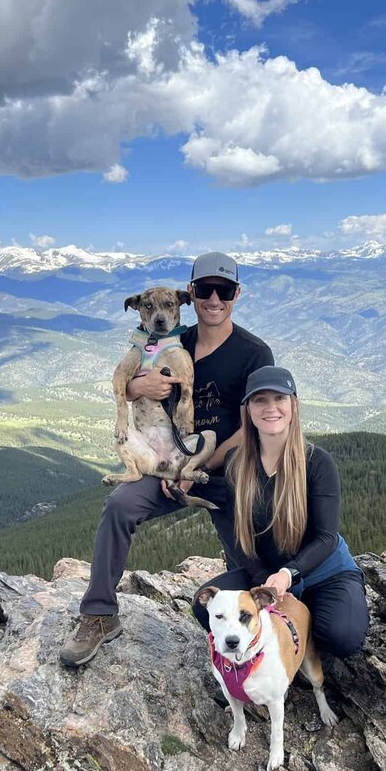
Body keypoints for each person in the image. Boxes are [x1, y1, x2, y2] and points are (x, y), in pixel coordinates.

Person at [60, 252, 273, 667]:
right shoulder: (173, 338)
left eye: (224, 291)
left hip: (227, 472)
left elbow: (254, 427)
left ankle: (267, 638)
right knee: (120, 505)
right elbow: (129, 378)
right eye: (206, 290)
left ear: (236, 295)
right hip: (164, 461)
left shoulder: (253, 353)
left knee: (251, 566)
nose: (215, 299)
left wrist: (197, 470)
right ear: (191, 295)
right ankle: (99, 614)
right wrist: (139, 386)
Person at [192, 365, 370, 661]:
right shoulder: (237, 463)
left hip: (324, 573)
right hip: (267, 577)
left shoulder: (317, 462)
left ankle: (304, 633)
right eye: (260, 400)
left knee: (342, 637)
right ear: (248, 410)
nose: (271, 408)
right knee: (203, 606)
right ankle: (263, 657)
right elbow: (240, 533)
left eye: (280, 398)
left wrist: (288, 574)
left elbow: (326, 537)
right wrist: (263, 579)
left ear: (293, 405)